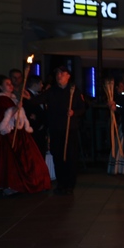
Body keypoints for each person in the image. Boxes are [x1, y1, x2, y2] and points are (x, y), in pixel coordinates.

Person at [32, 66, 86, 195]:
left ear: (68, 76)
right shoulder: (51, 91)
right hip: (56, 128)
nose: (59, 75)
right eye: (57, 73)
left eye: (62, 73)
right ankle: (61, 183)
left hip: (70, 129)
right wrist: (27, 97)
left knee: (70, 157)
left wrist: (74, 112)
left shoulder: (74, 91)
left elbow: (83, 108)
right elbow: (37, 100)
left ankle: (70, 184)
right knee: (58, 156)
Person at [0, 75, 51, 195]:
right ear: (0, 87)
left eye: (11, 83)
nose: (11, 85)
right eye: (7, 84)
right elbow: (1, 117)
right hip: (8, 135)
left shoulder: (13, 98)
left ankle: (34, 182)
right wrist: (15, 109)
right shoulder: (0, 99)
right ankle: (12, 185)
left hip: (19, 132)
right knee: (10, 161)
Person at [23, 75, 48, 157]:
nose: (42, 85)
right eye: (40, 84)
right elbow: (29, 112)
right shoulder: (26, 96)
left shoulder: (39, 96)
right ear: (34, 85)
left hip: (41, 129)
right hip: (34, 130)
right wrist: (38, 123)